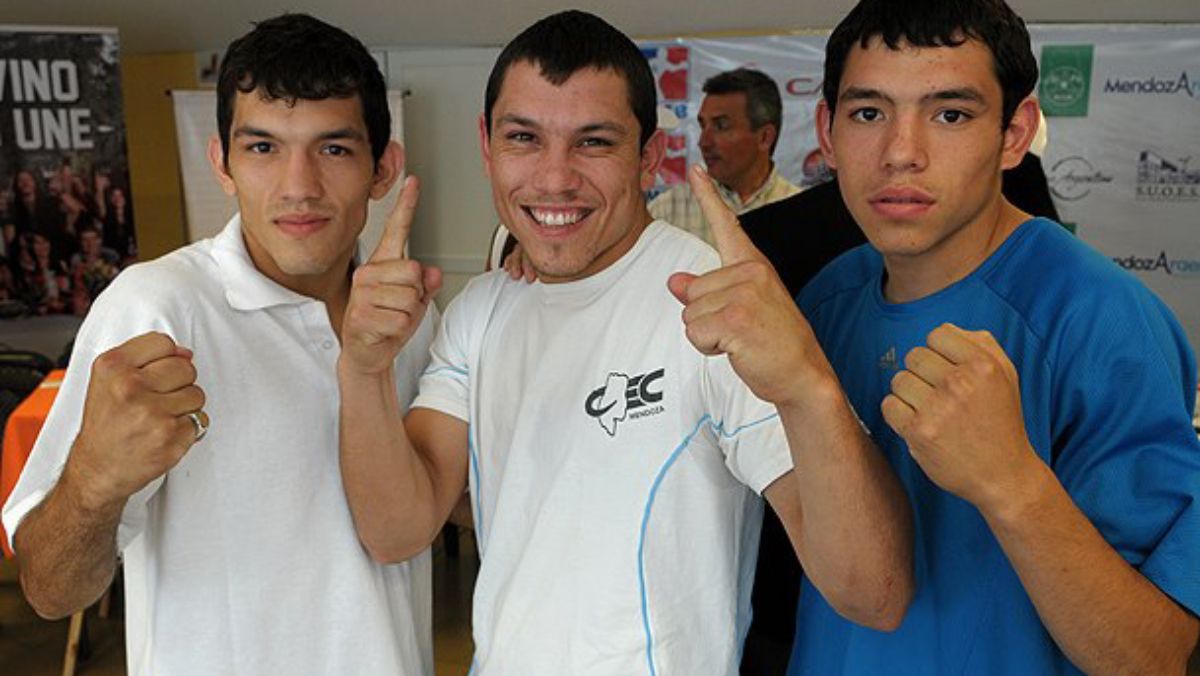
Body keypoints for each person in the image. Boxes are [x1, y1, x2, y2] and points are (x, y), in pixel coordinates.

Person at [337, 10, 912, 674]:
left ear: (649, 155)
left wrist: (807, 382)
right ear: (487, 143)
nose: (554, 179)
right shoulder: (481, 310)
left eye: (594, 142)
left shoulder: (711, 306)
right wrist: (364, 368)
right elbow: (395, 531)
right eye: (524, 137)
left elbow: (875, 594)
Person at [3, 14, 435, 676]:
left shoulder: (411, 316)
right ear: (222, 164)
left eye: (334, 149)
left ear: (384, 168)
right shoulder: (156, 307)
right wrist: (94, 481)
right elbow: (51, 590)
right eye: (262, 148)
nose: (298, 186)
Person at [788, 0, 1200, 673]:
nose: (901, 153)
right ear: (827, 132)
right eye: (869, 112)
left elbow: (1154, 657)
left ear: (1015, 134)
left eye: (951, 114)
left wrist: (1013, 485)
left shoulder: (1099, 319)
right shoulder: (827, 301)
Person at [649, 67, 800, 246]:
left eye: (721, 126)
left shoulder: (803, 213)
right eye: (703, 125)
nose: (704, 142)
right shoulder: (666, 212)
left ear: (764, 137)